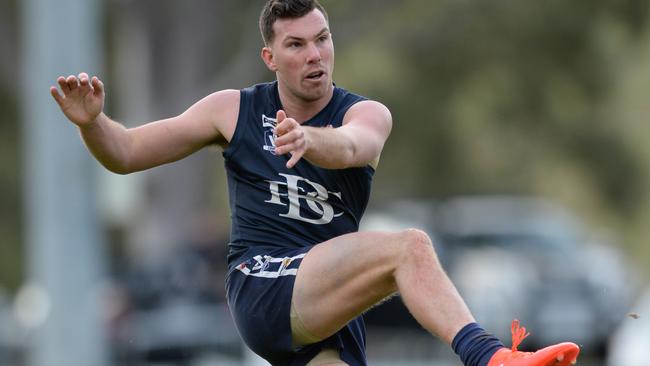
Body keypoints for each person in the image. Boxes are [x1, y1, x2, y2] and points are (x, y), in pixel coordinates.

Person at [50, 1, 581, 365]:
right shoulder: (232, 110)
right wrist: (92, 122)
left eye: (322, 40)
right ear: (270, 57)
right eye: (297, 45)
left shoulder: (366, 112)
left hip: (328, 303)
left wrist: (309, 140)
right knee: (410, 248)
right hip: (263, 285)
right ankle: (492, 356)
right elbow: (125, 153)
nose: (315, 56)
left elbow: (355, 147)